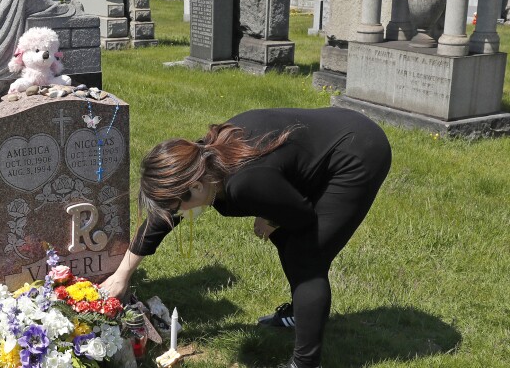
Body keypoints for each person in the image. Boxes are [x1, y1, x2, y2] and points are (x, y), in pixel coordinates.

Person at [100, 107, 392, 368]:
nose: (175, 214)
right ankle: (303, 313)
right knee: (288, 241)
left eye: (176, 205)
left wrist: (272, 216)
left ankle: (305, 362)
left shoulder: (243, 184)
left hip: (357, 152)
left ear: (198, 188)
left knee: (306, 257)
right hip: (325, 140)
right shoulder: (200, 161)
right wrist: (123, 274)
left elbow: (303, 217)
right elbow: (162, 220)